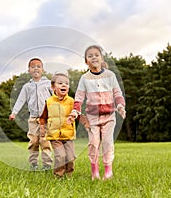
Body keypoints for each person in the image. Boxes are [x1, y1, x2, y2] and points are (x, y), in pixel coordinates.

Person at [68, 45, 126, 181]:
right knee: (94, 143)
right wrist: (75, 112)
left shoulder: (110, 76)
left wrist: (120, 106)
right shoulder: (85, 78)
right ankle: (95, 172)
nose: (93, 57)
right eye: (90, 56)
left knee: (107, 142)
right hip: (92, 118)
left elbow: (117, 93)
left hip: (109, 116)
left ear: (101, 58)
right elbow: (79, 97)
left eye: (96, 55)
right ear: (86, 61)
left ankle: (108, 172)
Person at [9, 58, 53, 171]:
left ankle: (47, 165)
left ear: (42, 70)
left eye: (38, 66)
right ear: (29, 70)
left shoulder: (48, 84)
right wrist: (14, 113)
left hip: (46, 118)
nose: (36, 68)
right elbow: (20, 100)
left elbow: (56, 98)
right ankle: (34, 164)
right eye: (33, 66)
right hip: (33, 118)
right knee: (33, 141)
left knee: (45, 141)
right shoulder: (27, 87)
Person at [39, 73, 76, 179]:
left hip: (68, 134)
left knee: (70, 157)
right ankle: (58, 176)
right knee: (60, 156)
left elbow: (77, 113)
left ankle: (68, 175)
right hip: (55, 135)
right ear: (53, 87)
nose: (64, 85)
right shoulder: (49, 102)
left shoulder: (72, 101)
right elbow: (43, 117)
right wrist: (42, 128)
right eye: (60, 83)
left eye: (66, 83)